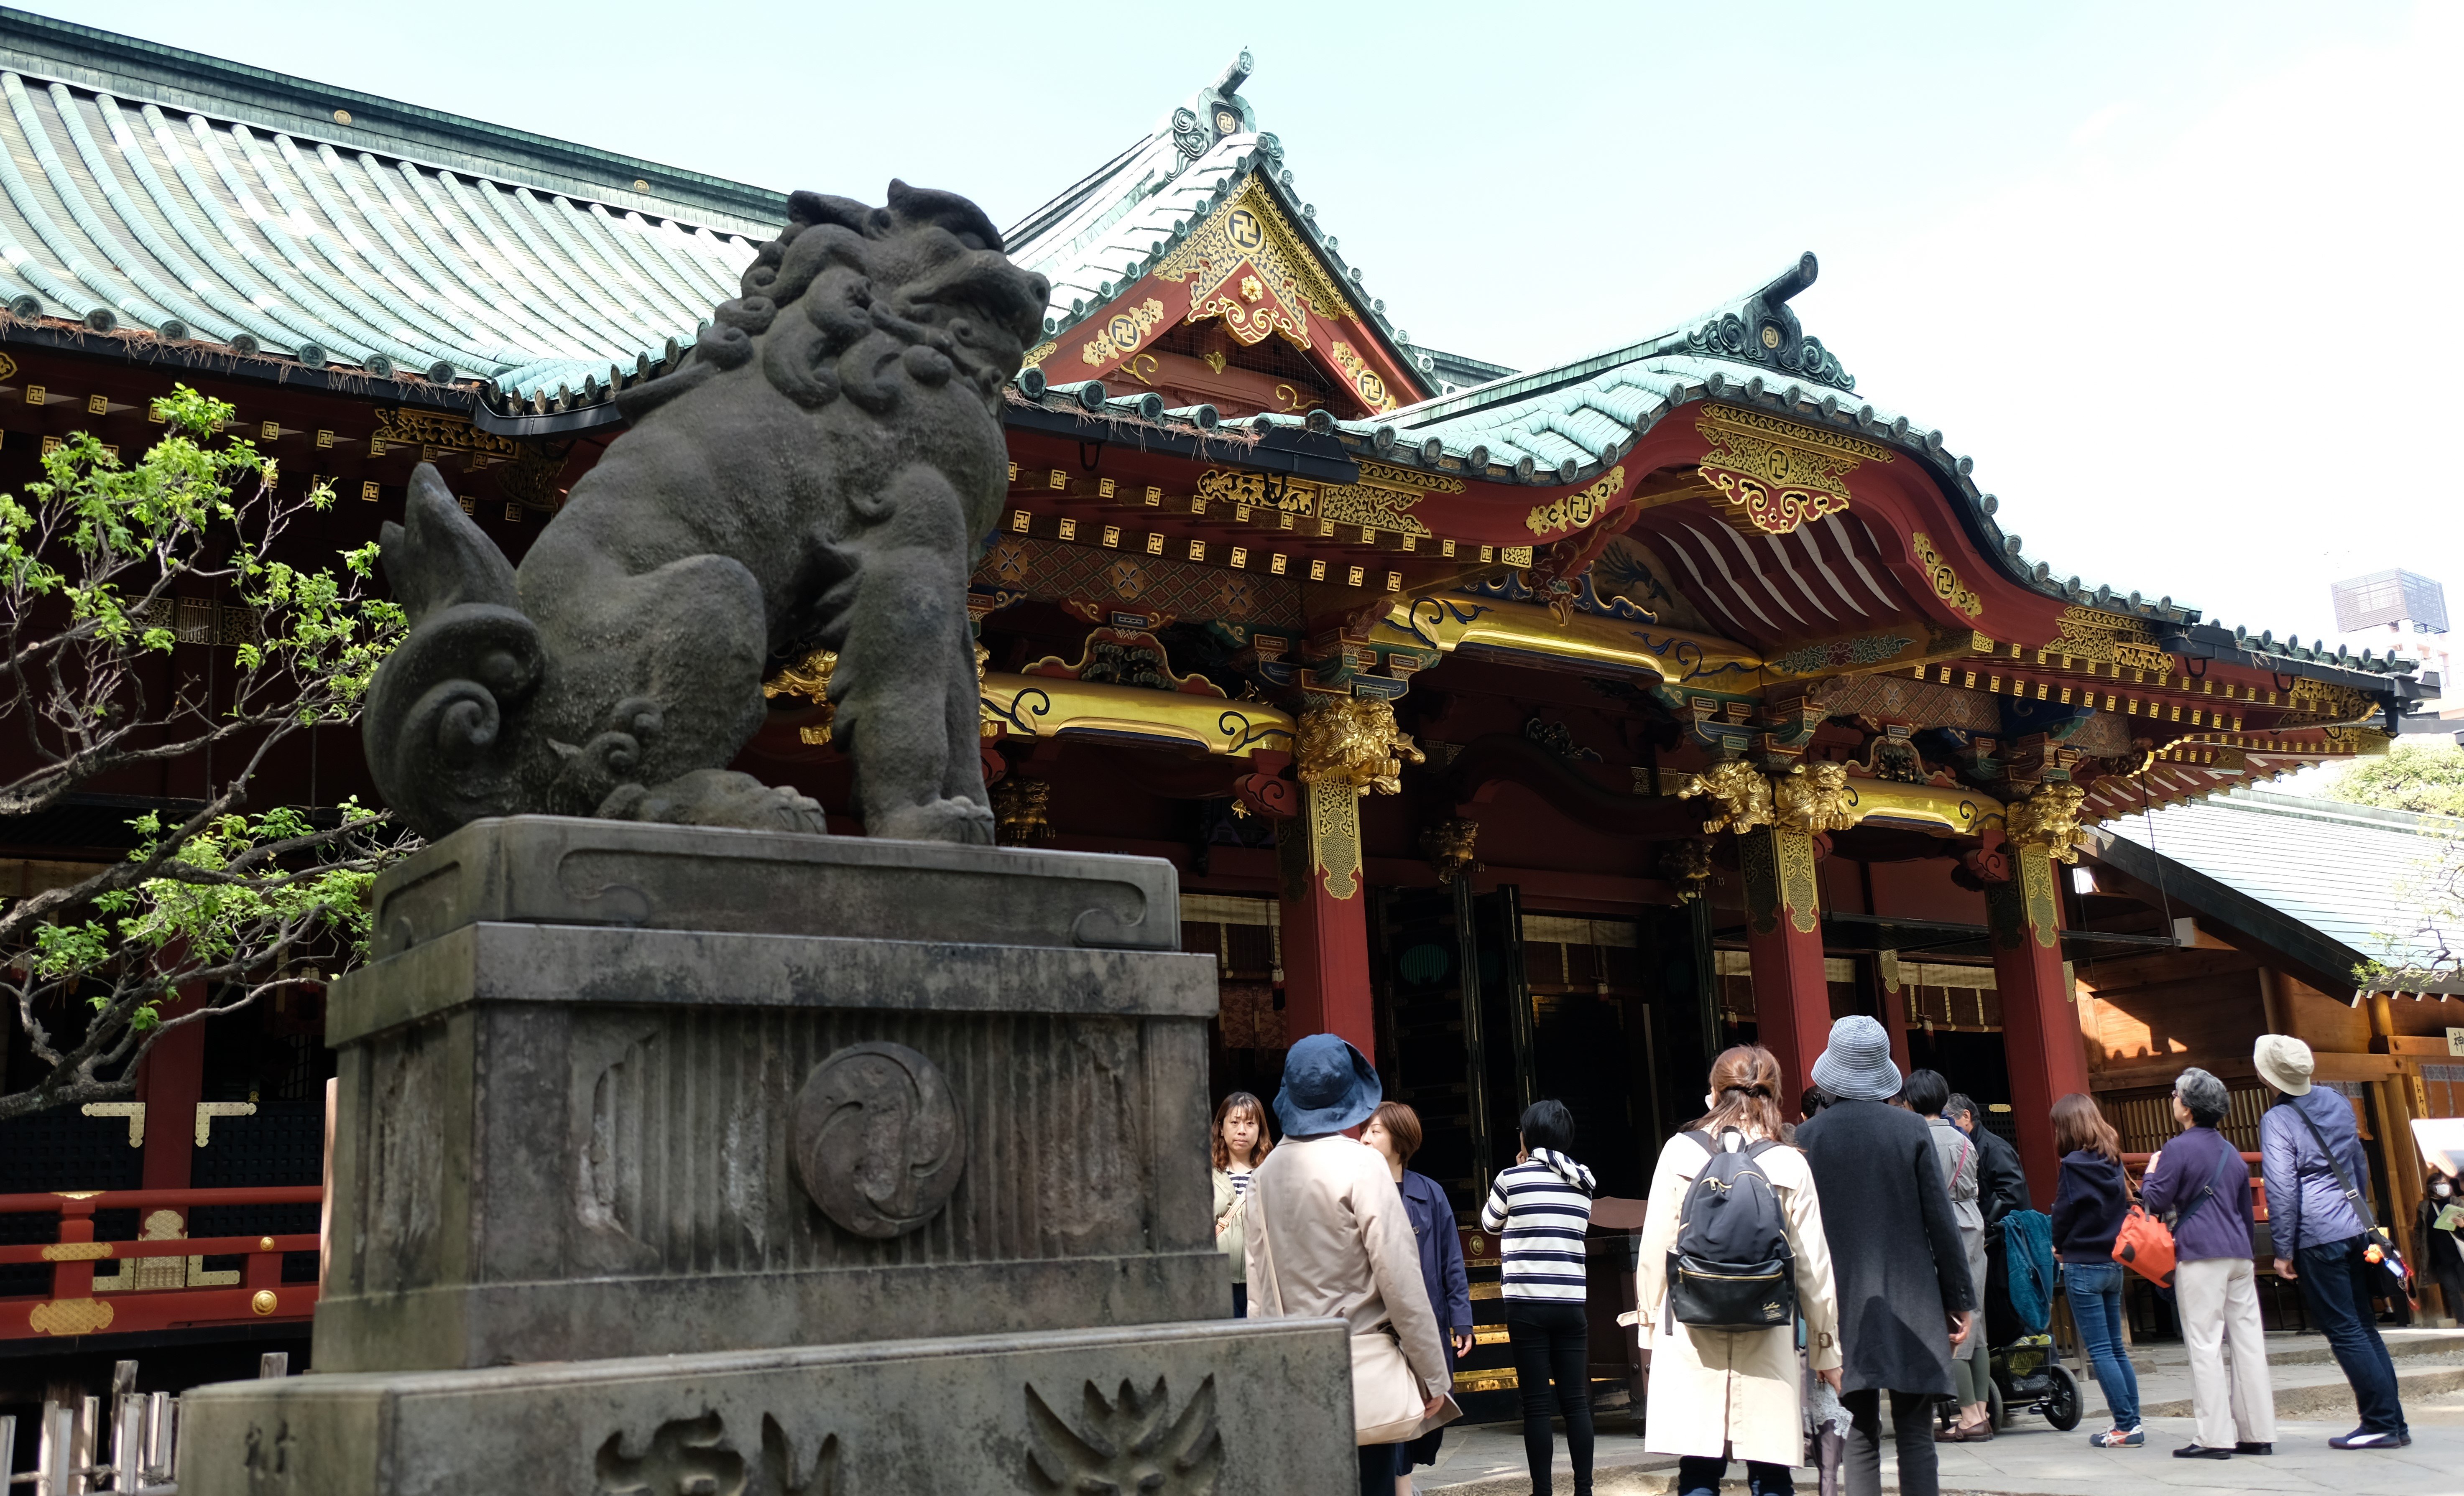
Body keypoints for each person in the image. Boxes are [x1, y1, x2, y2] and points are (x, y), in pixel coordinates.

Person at [1244, 1035, 1454, 1496]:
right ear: (1347, 1096)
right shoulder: (1363, 1165)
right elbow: (1400, 1279)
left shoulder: (1264, 1175)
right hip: (1363, 1368)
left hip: (1293, 1369)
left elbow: (1258, 1291)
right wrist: (1431, 1374)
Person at [1638, 1045, 1842, 1496]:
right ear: (1775, 1096)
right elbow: (1812, 1265)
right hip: (1767, 1322)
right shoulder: (1789, 1162)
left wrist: (1650, 1331)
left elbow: (1655, 1248)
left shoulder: (1678, 1153)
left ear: (1713, 1093)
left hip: (1692, 1323)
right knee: (1771, 1469)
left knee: (1697, 1465)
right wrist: (1827, 1348)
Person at [1795, 1017, 1973, 1496]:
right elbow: (1942, 1223)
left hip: (1840, 1301)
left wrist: (1805, 1320)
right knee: (1916, 1433)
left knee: (1858, 1431)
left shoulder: (1806, 1140)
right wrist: (1961, 1300)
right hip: (1912, 1297)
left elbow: (1800, 1238)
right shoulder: (1911, 1129)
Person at [2256, 1034, 2411, 1449]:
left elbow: (2283, 1190)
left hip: (2315, 1235)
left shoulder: (2277, 1120)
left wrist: (2283, 1251)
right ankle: (2393, 1424)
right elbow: (2357, 1163)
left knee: (2345, 1331)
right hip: (2353, 1225)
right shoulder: (2337, 1101)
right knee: (2364, 1326)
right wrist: (2360, 1214)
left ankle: (2380, 1423)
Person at [2141, 1067, 2275, 1459]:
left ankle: (2214, 1436)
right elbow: (2243, 1214)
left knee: (2204, 1343)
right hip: (2238, 1253)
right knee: (2249, 1343)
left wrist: (2150, 1173)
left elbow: (2157, 1200)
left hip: (2199, 1253)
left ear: (2187, 1107)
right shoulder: (2231, 1152)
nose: (2172, 1100)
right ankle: (2258, 1432)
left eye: (2175, 1095)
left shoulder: (2177, 1148)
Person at [1479, 1098, 1597, 1496]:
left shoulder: (1510, 1179)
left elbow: (1489, 1223)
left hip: (1526, 1303)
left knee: (1536, 1404)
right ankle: (1584, 1489)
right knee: (1576, 1402)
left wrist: (1519, 1165)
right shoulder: (1584, 1183)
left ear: (1527, 1137)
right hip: (1570, 1303)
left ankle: (1543, 1491)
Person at [1364, 1101, 1473, 1496]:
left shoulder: (1430, 1193)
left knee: (1427, 1414)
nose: (1364, 1137)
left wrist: (1461, 1319)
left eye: (1375, 1131)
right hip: (1378, 1330)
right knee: (1390, 1413)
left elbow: (1452, 1263)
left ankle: (1402, 1480)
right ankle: (1402, 1485)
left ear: (1399, 1140)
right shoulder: (1359, 1192)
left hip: (1425, 1325)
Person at [2046, 1093, 2141, 1448]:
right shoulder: (2112, 1159)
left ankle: (2124, 1426)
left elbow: (2063, 1214)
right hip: (2113, 1261)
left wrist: (2056, 1243)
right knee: (2116, 1348)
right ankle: (2132, 1421)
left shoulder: (2072, 1165)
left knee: (2100, 1350)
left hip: (2082, 1263)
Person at [1907, 1070, 1990, 1443]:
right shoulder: (1963, 1137)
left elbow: (1926, 1193)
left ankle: (1969, 1415)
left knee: (1951, 1322)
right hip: (1973, 1220)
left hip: (1946, 1227)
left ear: (1910, 1101)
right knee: (1976, 1320)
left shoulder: (1920, 1138)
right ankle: (1984, 1412)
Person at [1945, 1093, 2030, 1349]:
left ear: (1966, 1117)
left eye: (1949, 1118)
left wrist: (1985, 1222)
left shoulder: (1994, 1148)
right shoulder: (1969, 1145)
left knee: (2011, 1310)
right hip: (1989, 1238)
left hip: (2003, 1240)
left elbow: (2011, 1193)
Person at [1210, 1091, 1272, 1317]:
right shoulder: (1205, 1173)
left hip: (1262, 1279)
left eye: (1250, 1123)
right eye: (1234, 1123)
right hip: (1217, 1279)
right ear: (1221, 1126)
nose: (1242, 1131)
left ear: (1260, 1129)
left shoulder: (1271, 1172)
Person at [2415, 1163, 2464, 1327]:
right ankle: (2462, 1321)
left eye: (2445, 1183)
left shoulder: (2457, 1202)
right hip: (2439, 1254)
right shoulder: (2424, 1206)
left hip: (2459, 1251)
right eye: (2438, 1184)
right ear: (2431, 1188)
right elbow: (2419, 1228)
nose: (2443, 1186)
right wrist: (2419, 1247)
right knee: (2451, 1289)